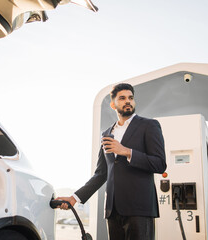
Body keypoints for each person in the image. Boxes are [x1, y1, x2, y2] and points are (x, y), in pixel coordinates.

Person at [56, 83, 166, 240]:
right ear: (113, 104)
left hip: (139, 209)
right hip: (113, 211)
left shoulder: (149, 125)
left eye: (131, 98)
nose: (128, 101)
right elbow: (101, 174)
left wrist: (127, 152)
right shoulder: (106, 134)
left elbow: (160, 164)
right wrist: (75, 198)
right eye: (122, 98)